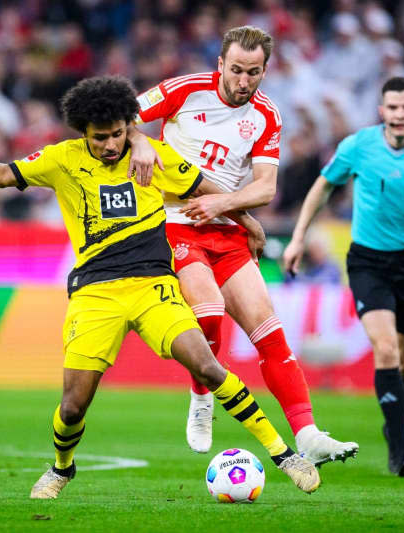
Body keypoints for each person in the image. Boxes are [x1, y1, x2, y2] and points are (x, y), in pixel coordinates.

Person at [0, 76, 322, 500]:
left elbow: (201, 185)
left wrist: (247, 220)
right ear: (83, 132)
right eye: (101, 138)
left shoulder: (151, 155)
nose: (111, 144)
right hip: (96, 293)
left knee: (208, 367)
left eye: (119, 134)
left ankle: (285, 457)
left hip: (154, 286)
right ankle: (62, 468)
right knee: (72, 406)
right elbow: (6, 174)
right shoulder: (61, 159)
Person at [127, 25, 358, 464]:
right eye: (235, 70)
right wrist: (140, 139)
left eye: (253, 73)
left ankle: (307, 433)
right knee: (209, 314)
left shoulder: (267, 115)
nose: (243, 81)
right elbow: (123, 116)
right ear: (220, 65)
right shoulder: (186, 89)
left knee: (269, 333)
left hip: (227, 231)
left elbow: (265, 188)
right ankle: (201, 396)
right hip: (174, 223)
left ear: (264, 71)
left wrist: (228, 206)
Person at [282, 76, 404, 477]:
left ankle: (394, 423)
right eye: (393, 107)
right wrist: (298, 237)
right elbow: (322, 187)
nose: (399, 115)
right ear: (381, 111)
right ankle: (401, 452)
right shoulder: (358, 146)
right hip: (367, 261)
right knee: (385, 349)